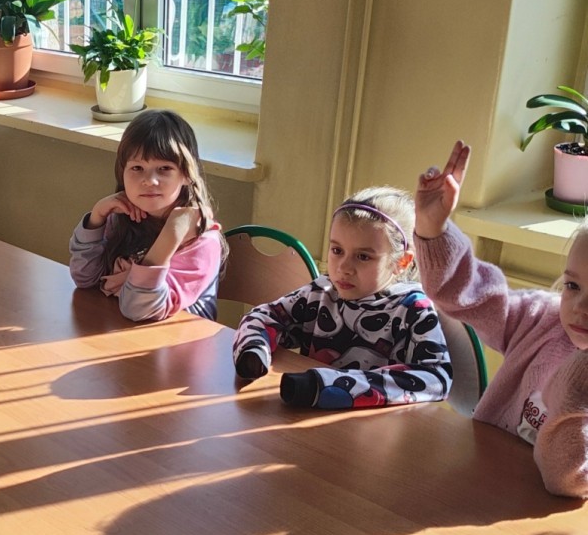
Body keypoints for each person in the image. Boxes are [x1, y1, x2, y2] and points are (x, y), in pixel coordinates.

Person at [415, 141, 588, 497]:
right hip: (479, 484)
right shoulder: (542, 320)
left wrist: (580, 373)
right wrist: (433, 230)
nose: (581, 306)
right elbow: (469, 294)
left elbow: (564, 479)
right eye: (573, 285)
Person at [233, 186, 453, 409]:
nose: (344, 268)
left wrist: (332, 386)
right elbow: (265, 316)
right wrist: (254, 348)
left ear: (401, 262)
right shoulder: (322, 292)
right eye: (337, 251)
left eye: (363, 256)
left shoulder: (414, 310)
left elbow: (437, 378)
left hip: (376, 426)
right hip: (306, 417)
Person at [69, 109, 226, 321]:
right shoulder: (123, 218)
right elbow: (84, 279)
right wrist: (96, 218)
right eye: (137, 168)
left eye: (164, 168)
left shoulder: (202, 240)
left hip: (179, 340)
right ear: (122, 173)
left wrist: (171, 235)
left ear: (187, 174)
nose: (149, 180)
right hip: (121, 332)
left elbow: (138, 308)